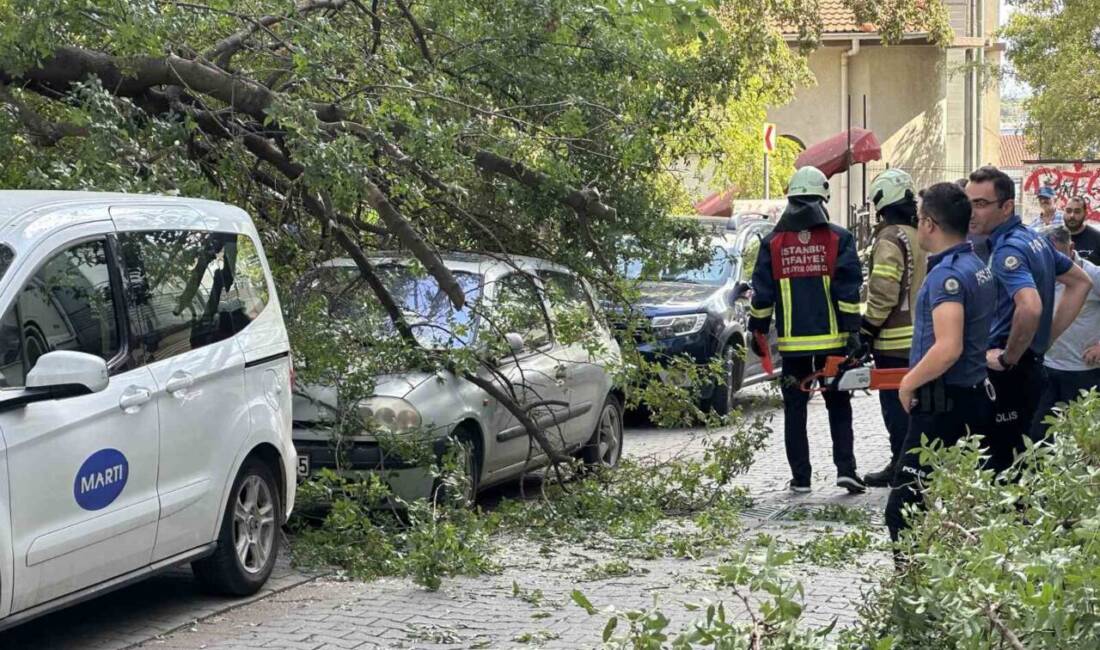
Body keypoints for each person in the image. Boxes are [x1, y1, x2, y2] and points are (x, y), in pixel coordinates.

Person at [885, 182, 995, 542]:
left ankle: (910, 588)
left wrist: (908, 381)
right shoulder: (975, 264)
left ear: (930, 223)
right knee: (959, 501)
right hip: (971, 396)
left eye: (919, 219)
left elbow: (949, 347)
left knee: (903, 507)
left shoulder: (947, 275)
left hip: (944, 405)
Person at [748, 166, 866, 494]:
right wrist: (853, 332)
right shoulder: (839, 238)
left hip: (792, 347)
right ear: (822, 198)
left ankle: (801, 478)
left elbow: (763, 296)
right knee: (838, 404)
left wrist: (757, 331)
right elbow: (847, 292)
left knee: (795, 410)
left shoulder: (773, 242)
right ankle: (847, 470)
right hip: (834, 345)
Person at [965, 166, 1092, 473]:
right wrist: (1043, 340)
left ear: (1007, 206)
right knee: (1020, 462)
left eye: (981, 204)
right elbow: (1080, 282)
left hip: (1007, 373)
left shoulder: (1010, 248)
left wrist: (1010, 356)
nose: (971, 212)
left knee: (1000, 468)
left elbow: (1030, 307)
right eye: (968, 202)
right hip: (1029, 367)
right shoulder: (1033, 238)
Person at [859, 169, 928, 487]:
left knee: (895, 408)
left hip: (893, 342)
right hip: (922, 339)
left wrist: (866, 330)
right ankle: (914, 464)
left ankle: (901, 468)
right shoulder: (920, 235)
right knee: (915, 407)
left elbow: (884, 290)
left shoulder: (889, 237)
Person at [1032, 225, 1100, 440]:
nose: (1053, 267)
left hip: (1083, 371)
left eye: (1057, 258)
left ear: (1071, 248)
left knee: (1082, 440)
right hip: (1047, 368)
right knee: (1038, 437)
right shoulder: (1040, 273)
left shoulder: (1093, 276)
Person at [1062, 196, 1100, 265]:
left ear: (1085, 214)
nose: (1072, 215)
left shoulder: (1097, 238)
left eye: (1077, 212)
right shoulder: (1053, 237)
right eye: (1068, 211)